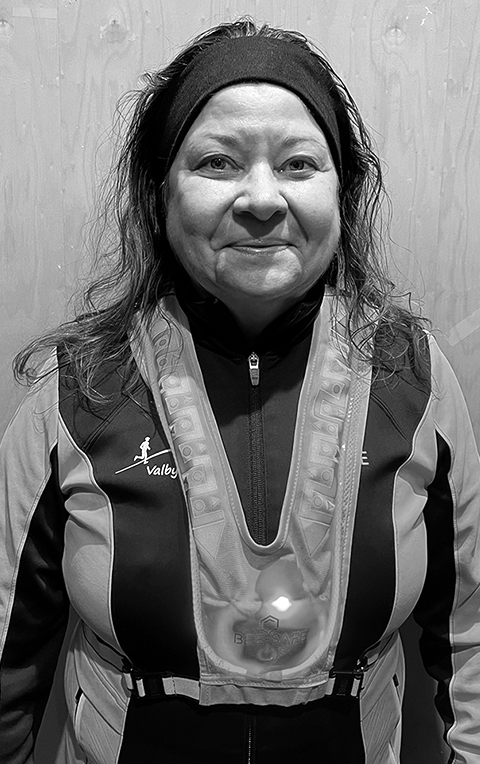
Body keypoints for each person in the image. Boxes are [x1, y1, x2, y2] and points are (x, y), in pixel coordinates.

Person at [1, 18, 479, 764]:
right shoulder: (78, 388)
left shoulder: (412, 378)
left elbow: (470, 630)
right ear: (161, 193)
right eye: (217, 163)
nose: (261, 198)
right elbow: (8, 655)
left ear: (342, 191)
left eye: (298, 164)